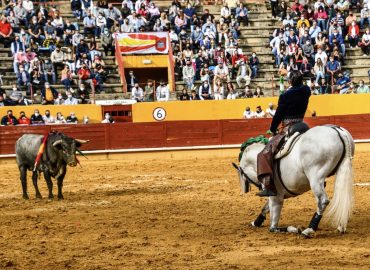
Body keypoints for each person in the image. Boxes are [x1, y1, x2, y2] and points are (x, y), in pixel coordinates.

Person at [256, 71, 311, 197]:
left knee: (264, 154)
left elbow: (278, 115)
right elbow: (299, 88)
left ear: (290, 81)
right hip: (302, 125)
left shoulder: (285, 96)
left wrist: (273, 128)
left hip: (289, 128)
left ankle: (268, 185)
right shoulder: (306, 90)